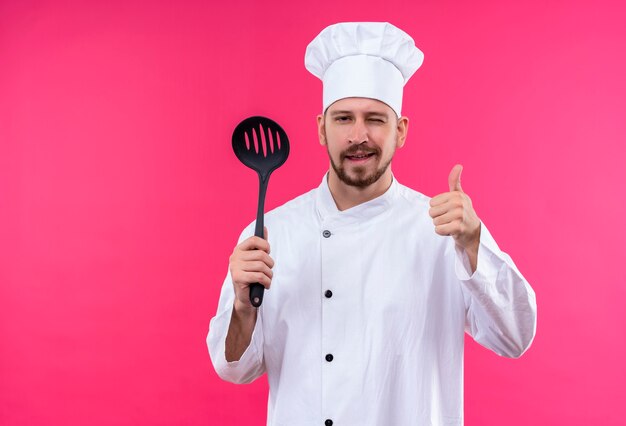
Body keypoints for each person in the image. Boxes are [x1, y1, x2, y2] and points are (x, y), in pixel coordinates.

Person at [207, 22, 537, 426]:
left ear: (400, 132)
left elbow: (516, 337)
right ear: (321, 129)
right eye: (343, 118)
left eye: (376, 119)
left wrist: (474, 243)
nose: (358, 135)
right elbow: (236, 370)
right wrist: (243, 305)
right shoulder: (271, 235)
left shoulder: (442, 230)